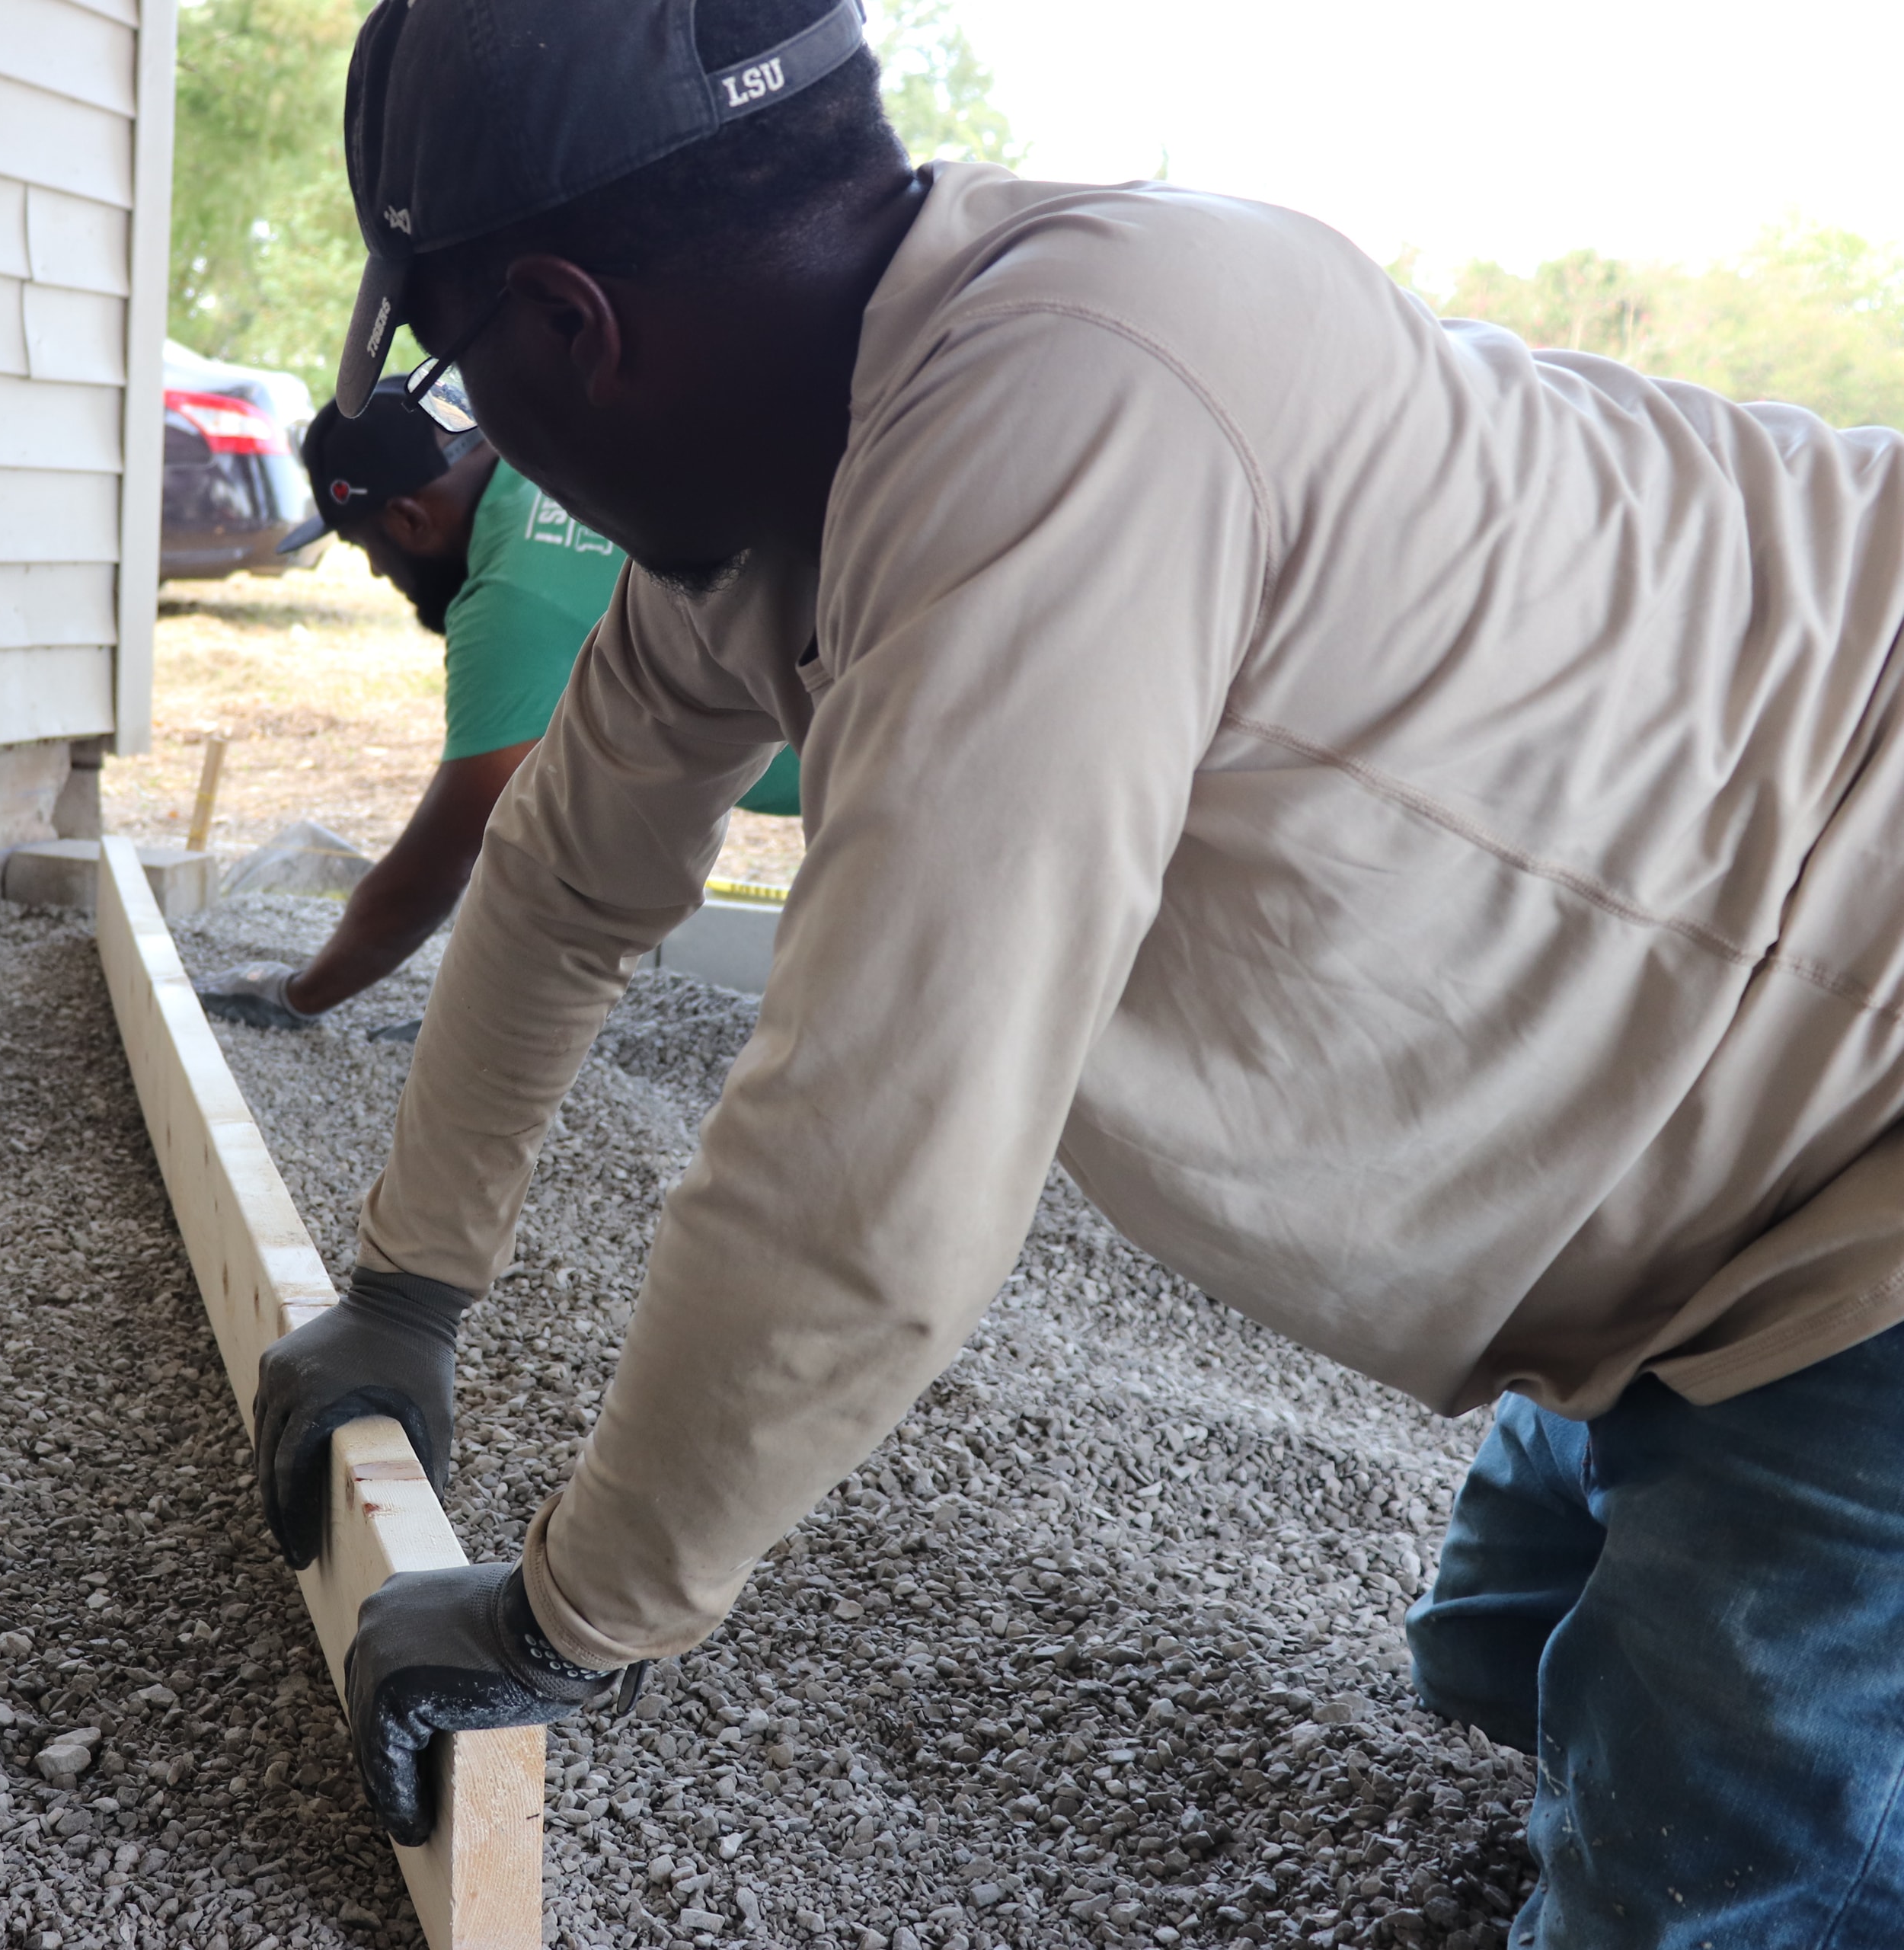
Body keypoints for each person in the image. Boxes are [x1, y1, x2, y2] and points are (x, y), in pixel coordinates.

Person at [245, 0, 1904, 1940]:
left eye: (459, 370)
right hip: (1687, 1155)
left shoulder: (1070, 399)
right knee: (1491, 1677)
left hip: (1852, 1137)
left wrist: (563, 1617)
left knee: (1718, 1873)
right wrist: (407, 1283)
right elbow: (556, 880)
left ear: (569, 322)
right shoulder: (782, 498)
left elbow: (870, 1161)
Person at [192, 382, 799, 1032]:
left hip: (836, 747)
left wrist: (299, 995)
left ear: (409, 521)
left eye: (364, 547)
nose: (375, 574)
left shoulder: (510, 601)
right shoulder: (564, 453)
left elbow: (441, 859)